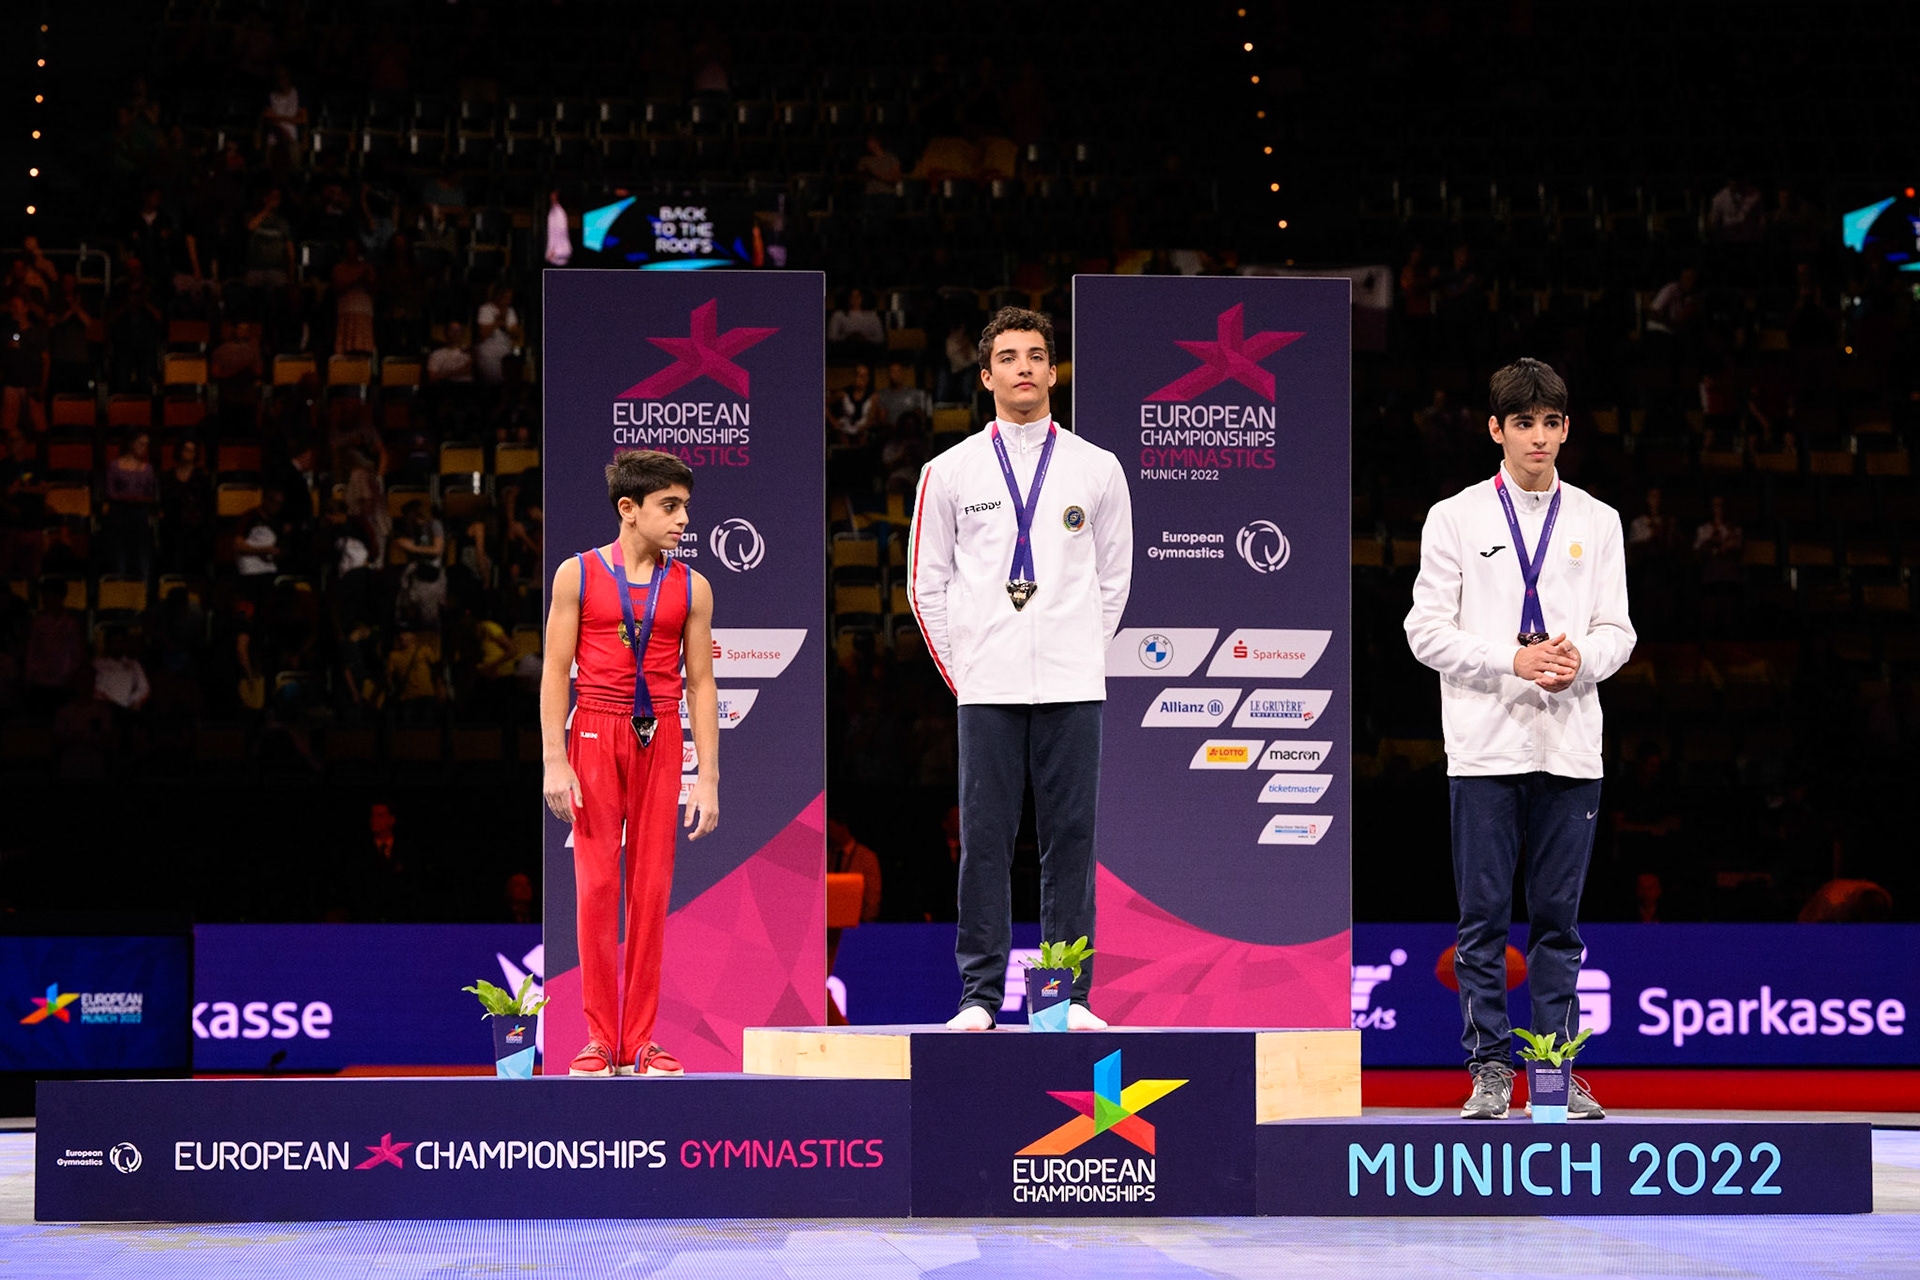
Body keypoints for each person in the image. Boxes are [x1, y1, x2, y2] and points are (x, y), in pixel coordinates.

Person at [1403, 358, 1636, 1121]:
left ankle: (1555, 1072)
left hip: (1570, 745)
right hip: (1485, 746)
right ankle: (1490, 1071)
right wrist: (1513, 659)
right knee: (1483, 921)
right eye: (1523, 422)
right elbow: (1424, 631)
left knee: (1559, 924)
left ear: (1566, 429)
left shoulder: (1598, 521)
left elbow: (1618, 630)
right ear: (1495, 429)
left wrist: (1578, 661)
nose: (1538, 436)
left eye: (1550, 422)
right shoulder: (1456, 517)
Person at [906, 307, 1133, 1031]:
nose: (1024, 368)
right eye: (1008, 357)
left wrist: (1079, 652)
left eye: (1036, 355)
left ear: (1053, 371)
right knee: (985, 845)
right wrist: (969, 671)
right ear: (985, 377)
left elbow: (1115, 579)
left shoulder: (1097, 467)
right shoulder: (948, 472)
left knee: (1071, 845)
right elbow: (925, 584)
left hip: (1074, 686)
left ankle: (1063, 999)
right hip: (987, 689)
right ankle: (979, 998)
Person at [540, 449, 719, 1077]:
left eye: (685, 506)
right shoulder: (578, 575)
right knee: (595, 888)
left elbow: (701, 684)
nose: (683, 519)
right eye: (670, 506)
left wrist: (708, 778)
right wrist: (553, 759)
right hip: (595, 730)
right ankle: (598, 1038)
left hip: (660, 734)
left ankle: (639, 1042)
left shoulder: (692, 586)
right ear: (629, 509)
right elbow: (554, 671)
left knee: (650, 889)